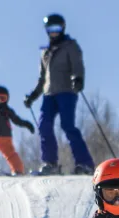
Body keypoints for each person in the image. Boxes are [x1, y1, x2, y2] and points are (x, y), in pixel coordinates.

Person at [23, 13, 95, 176]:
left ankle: (85, 163)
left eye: (57, 28)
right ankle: (50, 163)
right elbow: (42, 79)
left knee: (67, 126)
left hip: (66, 91)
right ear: (47, 31)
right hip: (49, 94)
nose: (54, 32)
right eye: (51, 29)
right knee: (44, 125)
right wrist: (32, 96)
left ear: (63, 28)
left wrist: (78, 79)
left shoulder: (70, 46)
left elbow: (77, 65)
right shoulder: (45, 52)